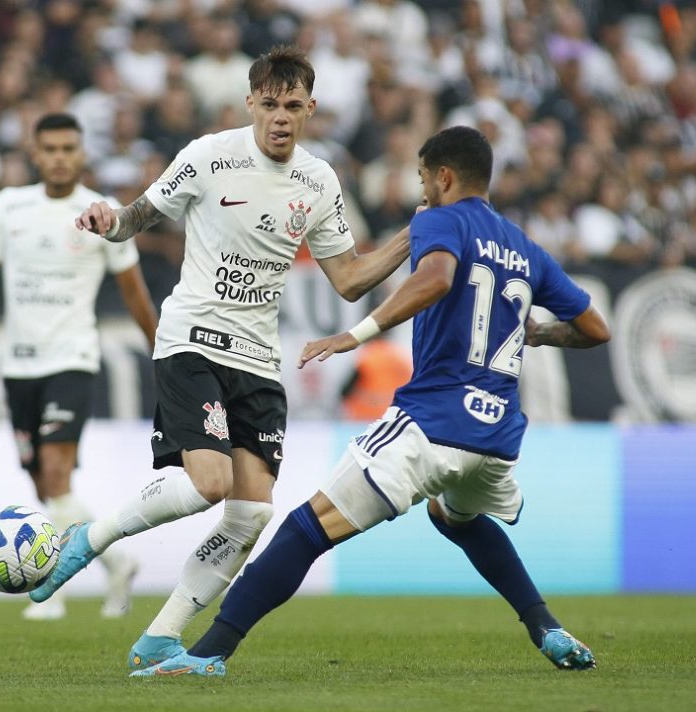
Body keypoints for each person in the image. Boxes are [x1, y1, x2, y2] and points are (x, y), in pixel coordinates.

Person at [134, 125, 610, 677]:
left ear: (444, 176)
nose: (422, 191)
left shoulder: (439, 218)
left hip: (430, 424)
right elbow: (595, 327)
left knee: (305, 529)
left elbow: (436, 277)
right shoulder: (525, 248)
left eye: (424, 179)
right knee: (454, 516)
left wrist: (356, 334)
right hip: (498, 435)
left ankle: (205, 655)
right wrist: (541, 332)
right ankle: (545, 625)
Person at [26, 44, 411, 671]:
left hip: (259, 359)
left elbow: (347, 278)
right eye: (269, 104)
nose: (280, 117)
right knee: (211, 484)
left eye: (293, 105)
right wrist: (106, 218)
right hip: (193, 340)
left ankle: (159, 639)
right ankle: (90, 538)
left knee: (252, 512)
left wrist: (410, 235)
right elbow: (137, 218)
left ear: (311, 108)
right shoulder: (209, 156)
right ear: (249, 104)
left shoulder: (319, 181)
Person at [0, 112, 159, 621]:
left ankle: (50, 589)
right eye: (49, 148)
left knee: (54, 470)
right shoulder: (8, 207)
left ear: (82, 154)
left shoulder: (101, 215)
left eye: (68, 148)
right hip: (19, 365)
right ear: (35, 154)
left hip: (73, 358)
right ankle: (117, 561)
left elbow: (134, 292)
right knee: (45, 486)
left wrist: (161, 348)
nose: (58, 157)